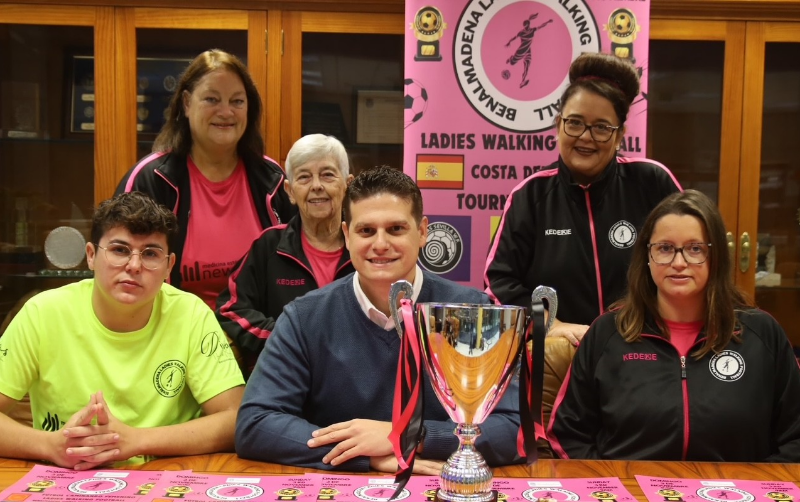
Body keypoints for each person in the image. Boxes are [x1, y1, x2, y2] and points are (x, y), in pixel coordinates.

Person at [235, 166, 521, 472]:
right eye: (366, 231)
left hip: (443, 487)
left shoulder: (474, 312)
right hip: (338, 496)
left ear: (423, 232)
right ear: (346, 235)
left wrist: (406, 436)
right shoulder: (304, 317)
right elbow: (256, 424)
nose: (381, 244)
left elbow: (514, 429)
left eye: (396, 229)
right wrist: (368, 458)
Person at [548, 190, 800, 462]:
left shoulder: (761, 334)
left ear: (715, 257)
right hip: (631, 500)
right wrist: (612, 488)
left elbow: (794, 437)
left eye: (695, 249)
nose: (679, 263)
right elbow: (568, 434)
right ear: (647, 255)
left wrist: (756, 494)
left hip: (736, 501)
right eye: (665, 248)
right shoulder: (607, 333)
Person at [0, 192, 245, 470]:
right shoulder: (42, 313)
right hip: (67, 475)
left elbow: (235, 419)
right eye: (120, 250)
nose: (134, 265)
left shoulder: (191, 314)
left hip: (166, 478)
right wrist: (50, 446)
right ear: (91, 256)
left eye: (151, 253)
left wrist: (134, 440)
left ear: (169, 267)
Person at [485, 52, 682, 346]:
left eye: (602, 128)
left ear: (619, 136)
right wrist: (551, 324)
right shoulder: (531, 195)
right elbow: (497, 283)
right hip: (561, 356)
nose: (585, 137)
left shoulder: (653, 182)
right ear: (558, 125)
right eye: (575, 123)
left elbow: (690, 258)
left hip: (645, 351)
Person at [116, 49, 296, 308]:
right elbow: (123, 270)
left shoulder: (273, 179)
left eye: (237, 101)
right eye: (212, 99)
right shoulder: (151, 179)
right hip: (172, 336)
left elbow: (299, 268)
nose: (226, 112)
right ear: (187, 104)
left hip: (255, 338)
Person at [216, 134, 356, 377]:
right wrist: (286, 338)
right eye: (304, 177)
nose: (316, 186)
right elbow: (230, 308)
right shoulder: (269, 245)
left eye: (327, 175)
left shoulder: (365, 246)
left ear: (347, 185)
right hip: (283, 374)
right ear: (290, 192)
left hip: (352, 376)